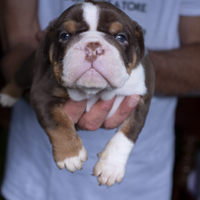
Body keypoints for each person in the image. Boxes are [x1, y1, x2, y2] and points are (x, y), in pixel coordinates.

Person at [0, 0, 200, 200]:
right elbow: (18, 40)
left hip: (143, 177)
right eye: (66, 35)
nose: (93, 50)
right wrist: (38, 80)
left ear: (138, 46)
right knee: (23, 76)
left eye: (120, 37)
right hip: (35, 175)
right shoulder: (45, 61)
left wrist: (136, 68)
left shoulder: (141, 71)